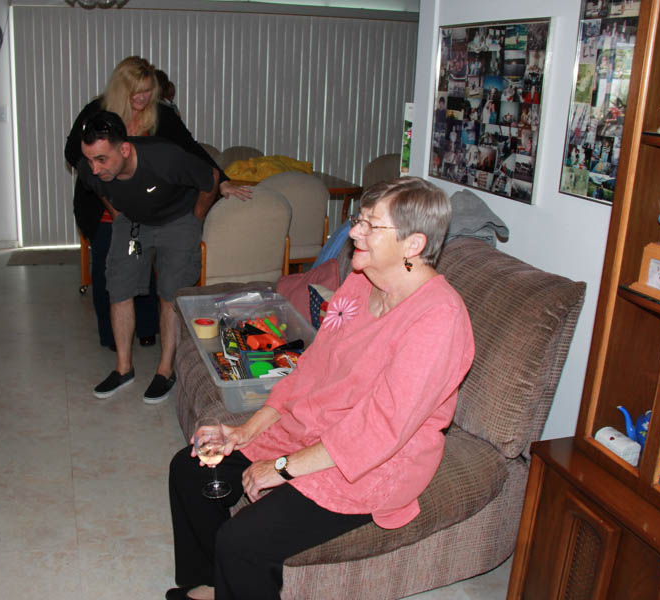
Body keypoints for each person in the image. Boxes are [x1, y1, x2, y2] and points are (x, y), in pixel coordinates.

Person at [166, 177, 476, 600]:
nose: (353, 233)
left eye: (371, 226)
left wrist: (280, 468)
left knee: (244, 543)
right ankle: (216, 587)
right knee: (191, 469)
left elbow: (380, 430)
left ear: (413, 244)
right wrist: (247, 432)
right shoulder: (362, 283)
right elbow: (311, 367)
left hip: (376, 461)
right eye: (359, 221)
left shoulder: (438, 319)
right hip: (320, 424)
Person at [64, 56, 248, 353]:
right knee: (111, 270)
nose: (142, 97)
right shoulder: (95, 112)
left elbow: (190, 149)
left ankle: (148, 329)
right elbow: (74, 153)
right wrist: (109, 190)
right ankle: (113, 339)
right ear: (120, 88)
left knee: (147, 268)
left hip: (148, 207)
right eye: (135, 91)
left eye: (148, 90)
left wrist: (222, 181)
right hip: (105, 207)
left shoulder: (161, 115)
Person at [77, 110, 219, 404]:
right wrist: (119, 216)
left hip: (178, 221)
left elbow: (211, 179)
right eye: (90, 160)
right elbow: (98, 187)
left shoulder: (164, 157)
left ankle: (165, 370)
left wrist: (195, 220)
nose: (94, 168)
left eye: (101, 159)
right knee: (119, 288)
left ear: (124, 148)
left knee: (170, 293)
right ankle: (123, 368)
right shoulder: (91, 168)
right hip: (134, 223)